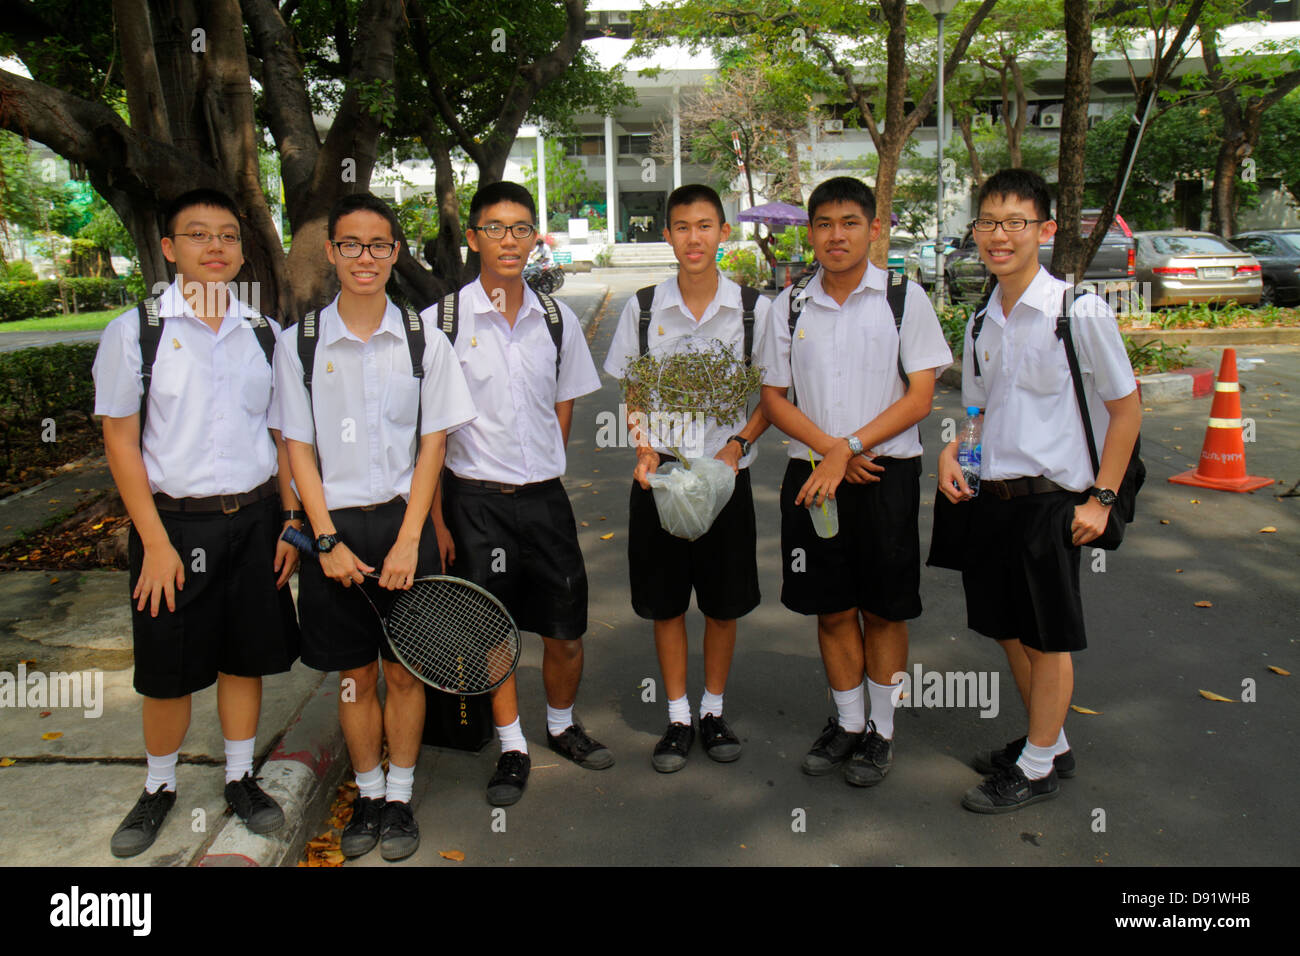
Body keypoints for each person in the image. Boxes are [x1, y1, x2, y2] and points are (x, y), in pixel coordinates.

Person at [95, 188, 301, 857]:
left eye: (227, 237)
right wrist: (153, 541)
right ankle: (158, 786)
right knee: (168, 669)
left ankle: (241, 777)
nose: (215, 248)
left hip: (256, 519)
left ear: (242, 250)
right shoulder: (137, 332)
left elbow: (282, 436)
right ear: (168, 248)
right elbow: (121, 443)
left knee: (246, 659)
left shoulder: (263, 332)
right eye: (197, 235)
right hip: (173, 530)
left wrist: (291, 522)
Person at [273, 193, 476, 860]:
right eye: (352, 244)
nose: (366, 257)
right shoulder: (299, 343)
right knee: (355, 676)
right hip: (334, 528)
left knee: (407, 672)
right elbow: (297, 449)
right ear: (332, 251)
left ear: (396, 253)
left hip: (402, 522)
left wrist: (410, 537)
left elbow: (433, 447)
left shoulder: (424, 340)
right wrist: (323, 539)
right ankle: (366, 791)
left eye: (379, 245)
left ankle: (399, 796)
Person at [936, 168, 1140, 813]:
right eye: (988, 223)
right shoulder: (979, 321)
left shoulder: (1078, 312)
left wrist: (1101, 499)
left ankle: (1037, 766)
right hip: (992, 497)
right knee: (1011, 631)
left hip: (1055, 501)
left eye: (1015, 223)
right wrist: (953, 452)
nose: (1000, 236)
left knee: (1047, 636)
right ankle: (1049, 743)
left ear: (1045, 230)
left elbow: (1127, 411)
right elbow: (978, 412)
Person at [757, 176, 952, 788]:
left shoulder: (903, 299)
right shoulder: (788, 304)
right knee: (832, 606)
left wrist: (851, 448)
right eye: (824, 224)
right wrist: (831, 452)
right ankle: (846, 722)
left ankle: (881, 732)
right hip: (814, 476)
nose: (836, 235)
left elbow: (921, 397)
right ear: (810, 232)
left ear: (873, 227)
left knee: (885, 610)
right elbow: (774, 397)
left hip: (884, 475)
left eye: (849, 222)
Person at [426, 181, 609, 808]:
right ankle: (511, 745)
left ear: (537, 238)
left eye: (522, 228)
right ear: (473, 237)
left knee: (565, 627)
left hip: (544, 500)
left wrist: (542, 465)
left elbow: (564, 403)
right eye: (496, 228)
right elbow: (426, 434)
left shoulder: (555, 320)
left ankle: (561, 725)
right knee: (493, 631)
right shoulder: (440, 324)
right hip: (473, 503)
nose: (510, 240)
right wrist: (438, 521)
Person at [602, 183, 771, 772]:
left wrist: (738, 445)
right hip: (661, 481)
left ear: (724, 233)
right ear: (667, 234)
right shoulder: (644, 308)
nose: (693, 238)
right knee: (667, 605)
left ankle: (713, 710)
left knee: (723, 606)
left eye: (705, 225)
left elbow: (771, 397)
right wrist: (644, 447)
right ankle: (677, 716)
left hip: (727, 481)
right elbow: (634, 387)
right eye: (681, 226)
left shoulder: (754, 310)